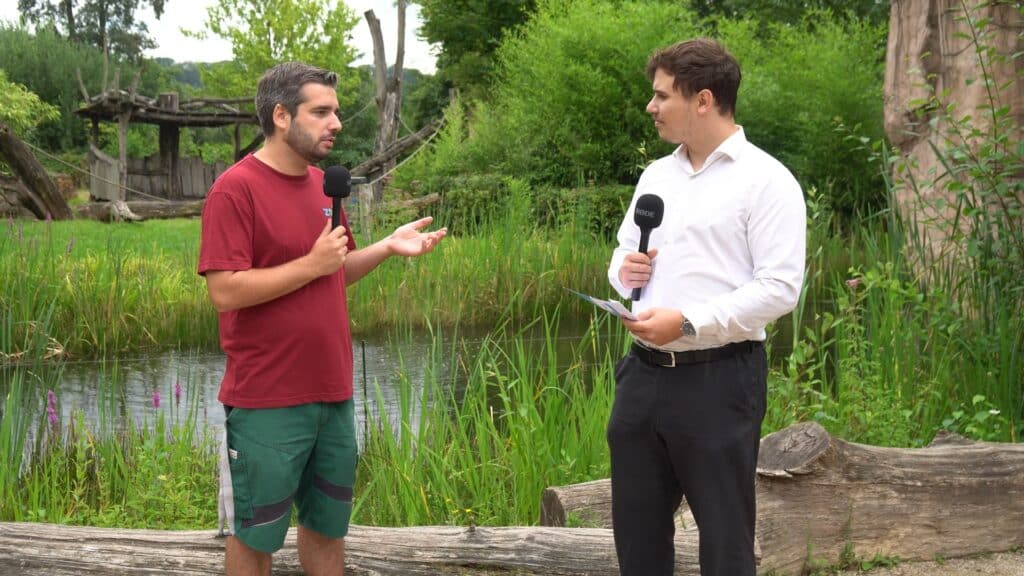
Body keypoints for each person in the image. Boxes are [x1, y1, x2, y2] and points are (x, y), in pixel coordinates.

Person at [198, 61, 447, 576]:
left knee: (328, 533)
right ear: (282, 116)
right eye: (322, 112)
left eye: (335, 111)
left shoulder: (324, 187)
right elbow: (225, 291)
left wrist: (385, 247)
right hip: (266, 399)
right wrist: (310, 264)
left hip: (333, 394)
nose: (336, 122)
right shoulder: (235, 189)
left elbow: (331, 272)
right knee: (254, 538)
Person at [605, 38, 806, 576]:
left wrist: (690, 321)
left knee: (725, 543)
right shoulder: (656, 176)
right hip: (641, 381)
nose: (651, 107)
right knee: (638, 539)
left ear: (703, 99)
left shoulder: (767, 181)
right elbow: (623, 253)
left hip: (720, 381)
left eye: (661, 95)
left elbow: (781, 288)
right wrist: (624, 270)